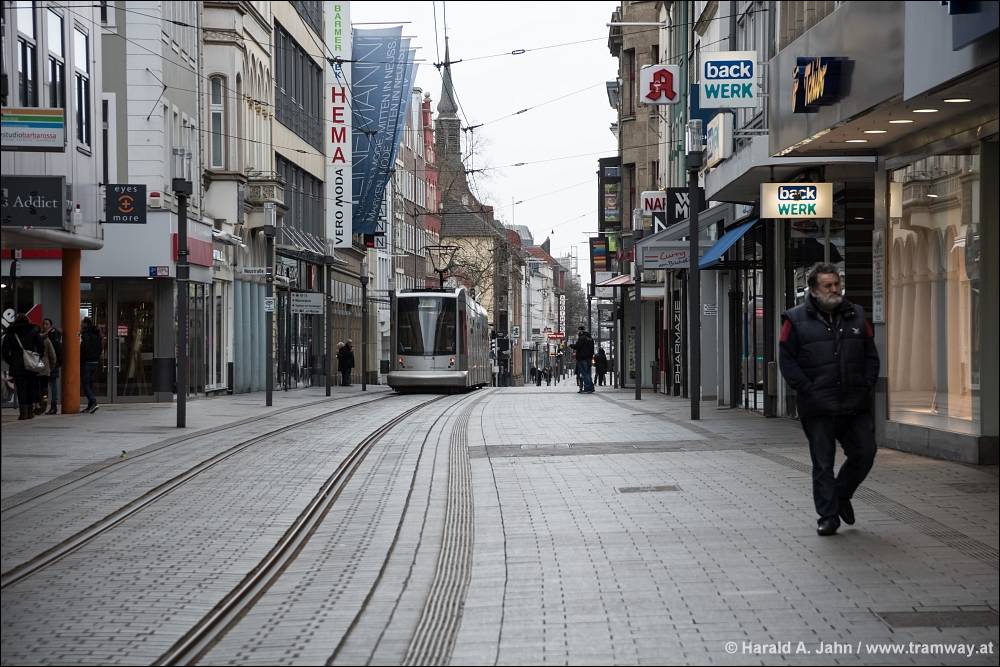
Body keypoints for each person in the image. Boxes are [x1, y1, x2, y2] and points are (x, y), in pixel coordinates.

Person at [779, 263, 879, 537]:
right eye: (828, 285)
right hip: (817, 406)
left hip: (854, 403)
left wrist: (866, 385)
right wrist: (807, 389)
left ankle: (841, 494)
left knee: (865, 452)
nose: (835, 289)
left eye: (837, 284)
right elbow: (787, 361)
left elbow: (871, 356)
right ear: (814, 290)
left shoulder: (857, 315)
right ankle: (828, 516)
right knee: (823, 463)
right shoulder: (794, 320)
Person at [1, 313, 45, 420]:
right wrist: (37, 357)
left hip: (17, 364)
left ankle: (23, 413)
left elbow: (4, 351)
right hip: (31, 364)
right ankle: (30, 412)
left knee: (21, 389)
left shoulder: (11, 333)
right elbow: (41, 346)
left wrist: (11, 361)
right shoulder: (33, 331)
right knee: (31, 387)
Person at [80, 317, 102, 413]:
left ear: (85, 324)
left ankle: (93, 402)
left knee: (85, 385)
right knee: (90, 384)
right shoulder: (96, 334)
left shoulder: (85, 334)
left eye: (82, 323)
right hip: (95, 362)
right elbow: (100, 348)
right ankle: (90, 406)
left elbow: (84, 348)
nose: (81, 324)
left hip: (87, 362)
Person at [41, 318, 63, 414]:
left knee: (53, 385)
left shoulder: (53, 335)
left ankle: (53, 406)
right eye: (44, 324)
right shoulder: (44, 335)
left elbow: (58, 349)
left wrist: (58, 362)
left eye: (47, 324)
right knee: (46, 385)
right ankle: (45, 405)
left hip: (53, 363)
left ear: (51, 325)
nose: (45, 326)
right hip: (46, 364)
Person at [569, 327, 595, 394]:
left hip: (582, 358)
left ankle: (587, 388)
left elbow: (578, 346)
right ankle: (591, 388)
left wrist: (571, 345)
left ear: (581, 331)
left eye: (578, 331)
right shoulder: (590, 338)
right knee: (588, 374)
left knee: (584, 374)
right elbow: (592, 349)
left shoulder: (582, 338)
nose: (578, 332)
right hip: (589, 358)